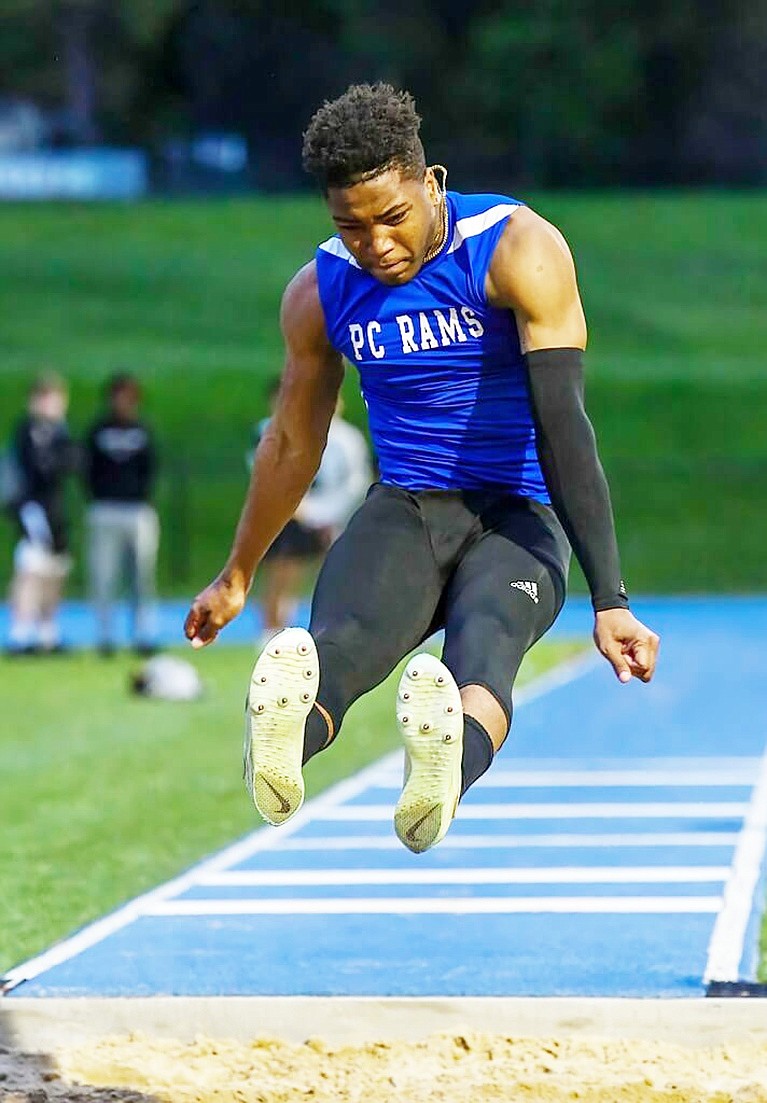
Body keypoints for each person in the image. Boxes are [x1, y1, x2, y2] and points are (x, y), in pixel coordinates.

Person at [185, 83, 660, 854]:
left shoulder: (514, 247)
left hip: (517, 511)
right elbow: (290, 444)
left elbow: (561, 424)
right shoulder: (319, 289)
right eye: (350, 225)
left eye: (391, 218)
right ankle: (281, 746)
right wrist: (237, 573)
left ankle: (441, 772)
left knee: (482, 651)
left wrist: (610, 597)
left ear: (427, 180)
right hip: (405, 507)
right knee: (336, 647)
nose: (373, 244)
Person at [249, 378, 372, 642]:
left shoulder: (348, 439)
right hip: (289, 512)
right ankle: (271, 633)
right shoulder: (273, 430)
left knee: (340, 574)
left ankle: (338, 632)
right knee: (282, 573)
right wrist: (295, 507)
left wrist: (325, 513)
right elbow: (266, 474)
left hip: (332, 516)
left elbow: (354, 483)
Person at [83, 372, 159, 656]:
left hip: (137, 510)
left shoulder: (142, 431)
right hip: (105, 508)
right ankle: (105, 636)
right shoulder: (98, 431)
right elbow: (87, 469)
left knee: (142, 575)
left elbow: (151, 468)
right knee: (104, 575)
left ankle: (143, 634)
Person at [5, 372, 77, 655]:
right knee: (31, 566)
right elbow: (34, 470)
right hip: (32, 506)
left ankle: (47, 629)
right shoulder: (27, 431)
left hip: (55, 508)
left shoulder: (61, 432)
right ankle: (20, 632)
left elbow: (70, 464)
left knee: (55, 568)